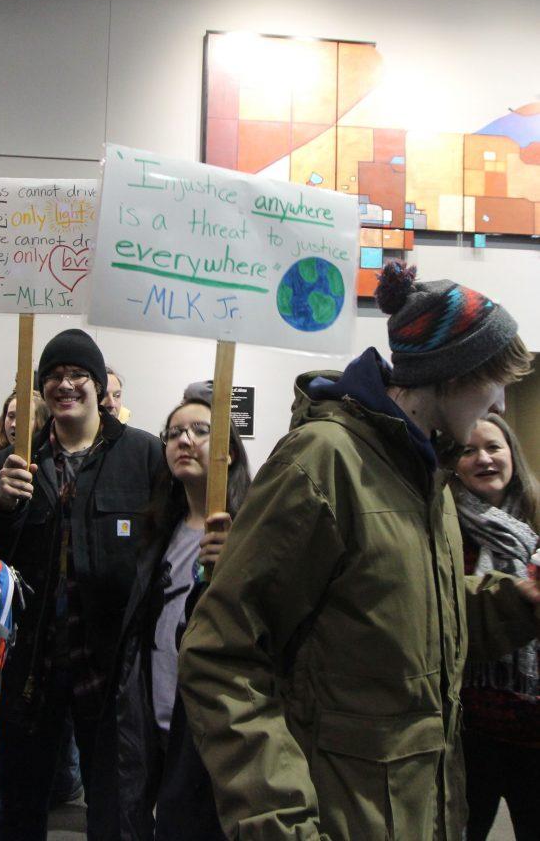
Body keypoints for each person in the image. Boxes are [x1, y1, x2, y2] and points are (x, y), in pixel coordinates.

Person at [179, 261, 540, 840]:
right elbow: (221, 653)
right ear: (448, 374)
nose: (499, 403)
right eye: (494, 378)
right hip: (338, 817)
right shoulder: (324, 462)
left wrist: (519, 602)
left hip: (420, 813)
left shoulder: (426, 473)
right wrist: (281, 823)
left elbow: (410, 612)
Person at [0, 328, 163, 840]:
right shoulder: (12, 464)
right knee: (19, 804)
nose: (66, 385)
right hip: (32, 664)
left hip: (108, 666)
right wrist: (2, 505)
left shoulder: (143, 455)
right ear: (42, 388)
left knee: (113, 804)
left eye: (78, 374)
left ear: (100, 385)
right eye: (55, 376)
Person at [105, 394, 250, 840]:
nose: (184, 440)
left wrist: (241, 563)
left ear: (229, 448)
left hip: (218, 729)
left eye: (201, 431)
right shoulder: (160, 529)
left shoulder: (253, 527)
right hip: (157, 720)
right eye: (174, 433)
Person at [452, 413, 539, 840]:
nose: (483, 458)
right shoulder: (441, 526)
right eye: (468, 450)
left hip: (535, 735)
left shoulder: (536, 524)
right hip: (467, 739)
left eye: (493, 447)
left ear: (512, 456)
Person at [0, 389, 49, 473]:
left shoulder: (50, 460)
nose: (14, 424)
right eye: (11, 416)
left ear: (40, 421)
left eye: (23, 418)